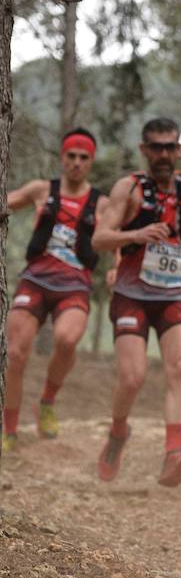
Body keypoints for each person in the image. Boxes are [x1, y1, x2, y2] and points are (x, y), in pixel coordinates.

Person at [91, 117, 181, 488]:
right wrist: (137, 233)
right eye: (156, 147)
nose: (164, 155)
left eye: (170, 147)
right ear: (144, 150)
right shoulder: (130, 188)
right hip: (131, 296)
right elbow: (100, 239)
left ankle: (173, 453)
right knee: (133, 377)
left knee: (180, 368)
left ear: (179, 150)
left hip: (174, 295)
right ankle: (118, 433)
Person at [3, 128, 107, 450]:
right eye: (71, 156)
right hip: (35, 279)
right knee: (15, 354)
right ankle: (9, 430)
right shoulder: (41, 190)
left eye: (83, 157)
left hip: (74, 285)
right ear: (62, 158)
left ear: (91, 162)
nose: (76, 163)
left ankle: (47, 401)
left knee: (67, 339)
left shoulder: (100, 203)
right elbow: (6, 203)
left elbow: (114, 238)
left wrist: (117, 267)